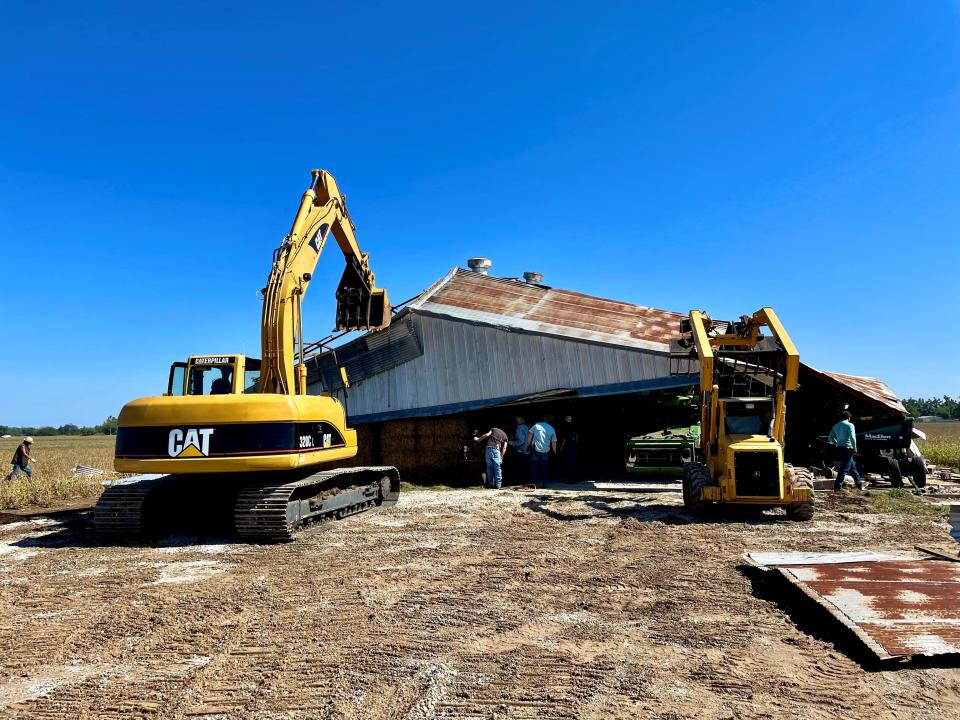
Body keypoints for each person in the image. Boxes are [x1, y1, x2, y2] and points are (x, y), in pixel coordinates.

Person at [828, 410, 862, 491]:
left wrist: (837, 443)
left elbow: (830, 438)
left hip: (839, 448)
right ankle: (837, 486)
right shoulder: (850, 425)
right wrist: (854, 447)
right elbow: (852, 437)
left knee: (852, 467)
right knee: (845, 468)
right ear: (849, 417)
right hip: (848, 448)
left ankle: (859, 484)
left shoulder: (835, 426)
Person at [527, 416, 557, 488]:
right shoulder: (552, 429)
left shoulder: (536, 425)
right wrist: (555, 452)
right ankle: (544, 484)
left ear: (544, 419)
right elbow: (553, 442)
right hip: (546, 451)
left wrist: (528, 445)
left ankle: (533, 484)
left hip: (535, 449)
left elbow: (529, 435)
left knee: (534, 467)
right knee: (544, 467)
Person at [559, 415, 579, 482]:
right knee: (573, 461)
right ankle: (574, 477)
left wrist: (561, 446)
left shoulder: (565, 426)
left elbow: (564, 438)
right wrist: (575, 443)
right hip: (573, 445)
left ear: (566, 418)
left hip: (568, 446)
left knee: (569, 462)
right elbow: (576, 435)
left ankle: (570, 478)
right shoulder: (574, 425)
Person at [511, 416, 530, 482]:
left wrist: (512, 443)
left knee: (520, 467)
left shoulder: (519, 428)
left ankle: (520, 481)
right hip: (526, 449)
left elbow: (521, 441)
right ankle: (525, 481)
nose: (515, 421)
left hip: (520, 450)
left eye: (516, 420)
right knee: (525, 467)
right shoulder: (526, 427)